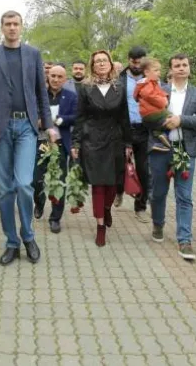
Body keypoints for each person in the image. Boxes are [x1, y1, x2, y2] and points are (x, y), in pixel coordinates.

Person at [0, 10, 55, 266]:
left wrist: (49, 125)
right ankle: (11, 242)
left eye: (15, 24)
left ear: (21, 27)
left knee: (24, 184)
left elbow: (42, 93)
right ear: (2, 27)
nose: (12, 28)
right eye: (7, 24)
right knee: (5, 190)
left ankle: (28, 236)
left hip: (27, 127)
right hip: (0, 128)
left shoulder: (33, 54)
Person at [147, 53, 196, 261]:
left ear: (189, 68)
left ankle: (185, 240)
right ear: (170, 70)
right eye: (177, 65)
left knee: (184, 196)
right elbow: (147, 117)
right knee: (158, 193)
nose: (181, 68)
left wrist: (181, 120)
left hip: (185, 150)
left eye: (184, 65)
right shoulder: (159, 90)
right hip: (160, 149)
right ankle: (158, 223)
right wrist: (163, 121)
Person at [72, 50, 132, 247]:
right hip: (92, 140)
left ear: (110, 64)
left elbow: (124, 117)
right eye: (97, 61)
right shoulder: (85, 88)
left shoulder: (120, 87)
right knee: (98, 184)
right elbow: (80, 117)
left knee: (113, 184)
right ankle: (100, 227)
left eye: (104, 60)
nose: (101, 63)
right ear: (92, 66)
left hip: (115, 139)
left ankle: (107, 208)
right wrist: (76, 142)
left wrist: (129, 143)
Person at [33, 65, 78, 233]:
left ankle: (55, 218)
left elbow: (77, 117)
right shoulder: (38, 96)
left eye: (60, 77)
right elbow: (32, 115)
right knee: (35, 179)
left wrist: (61, 120)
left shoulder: (71, 96)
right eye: (53, 76)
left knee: (58, 181)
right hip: (40, 142)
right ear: (48, 76)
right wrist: (40, 122)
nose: (56, 79)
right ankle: (39, 202)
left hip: (60, 144)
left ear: (65, 79)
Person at [115, 47, 151, 222]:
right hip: (123, 130)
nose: (137, 65)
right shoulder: (119, 79)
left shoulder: (151, 79)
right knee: (120, 168)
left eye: (140, 62)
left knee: (143, 170)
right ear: (128, 60)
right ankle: (119, 190)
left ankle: (140, 206)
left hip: (144, 130)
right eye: (133, 62)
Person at [133, 58, 171, 150]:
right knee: (172, 117)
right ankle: (161, 136)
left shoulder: (150, 83)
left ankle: (158, 139)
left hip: (146, 114)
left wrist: (165, 95)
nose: (159, 73)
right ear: (146, 72)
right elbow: (148, 95)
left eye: (159, 70)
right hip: (152, 113)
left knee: (156, 126)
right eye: (156, 70)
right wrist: (163, 101)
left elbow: (158, 92)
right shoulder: (147, 83)